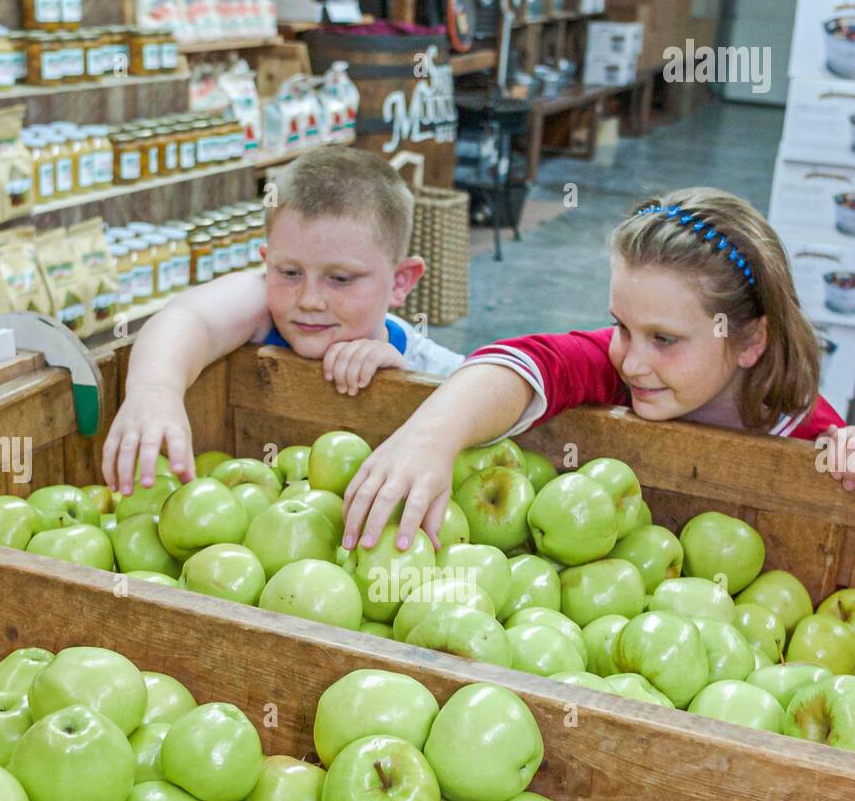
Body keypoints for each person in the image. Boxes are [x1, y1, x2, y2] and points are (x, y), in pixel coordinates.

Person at [341, 187, 855, 555]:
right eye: (622, 327)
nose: (632, 362)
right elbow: (522, 363)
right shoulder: (612, 368)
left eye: (665, 339)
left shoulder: (807, 431)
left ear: (750, 341)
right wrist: (431, 438)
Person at [102, 146, 465, 496]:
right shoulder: (263, 309)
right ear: (267, 261)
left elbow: (496, 391)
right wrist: (155, 391)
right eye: (290, 272)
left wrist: (405, 385)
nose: (308, 300)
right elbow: (187, 317)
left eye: (340, 279)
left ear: (400, 281)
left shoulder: (433, 366)